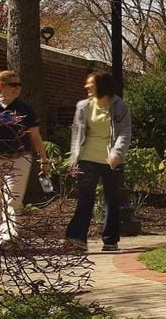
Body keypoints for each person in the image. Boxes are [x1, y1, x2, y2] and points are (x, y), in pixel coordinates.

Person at [0, 70, 50, 245]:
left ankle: (8, 237)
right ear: (0, 87)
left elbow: (35, 137)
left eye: (19, 84)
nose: (17, 88)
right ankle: (5, 237)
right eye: (13, 84)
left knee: (12, 199)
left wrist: (44, 159)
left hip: (19, 159)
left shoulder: (26, 110)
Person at [66, 70, 133, 252]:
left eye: (91, 84)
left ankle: (110, 240)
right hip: (87, 159)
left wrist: (116, 153)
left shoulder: (120, 106)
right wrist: (74, 161)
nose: (86, 87)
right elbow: (76, 135)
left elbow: (125, 133)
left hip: (111, 160)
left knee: (112, 199)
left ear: (102, 86)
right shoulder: (83, 106)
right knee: (85, 198)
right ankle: (77, 238)